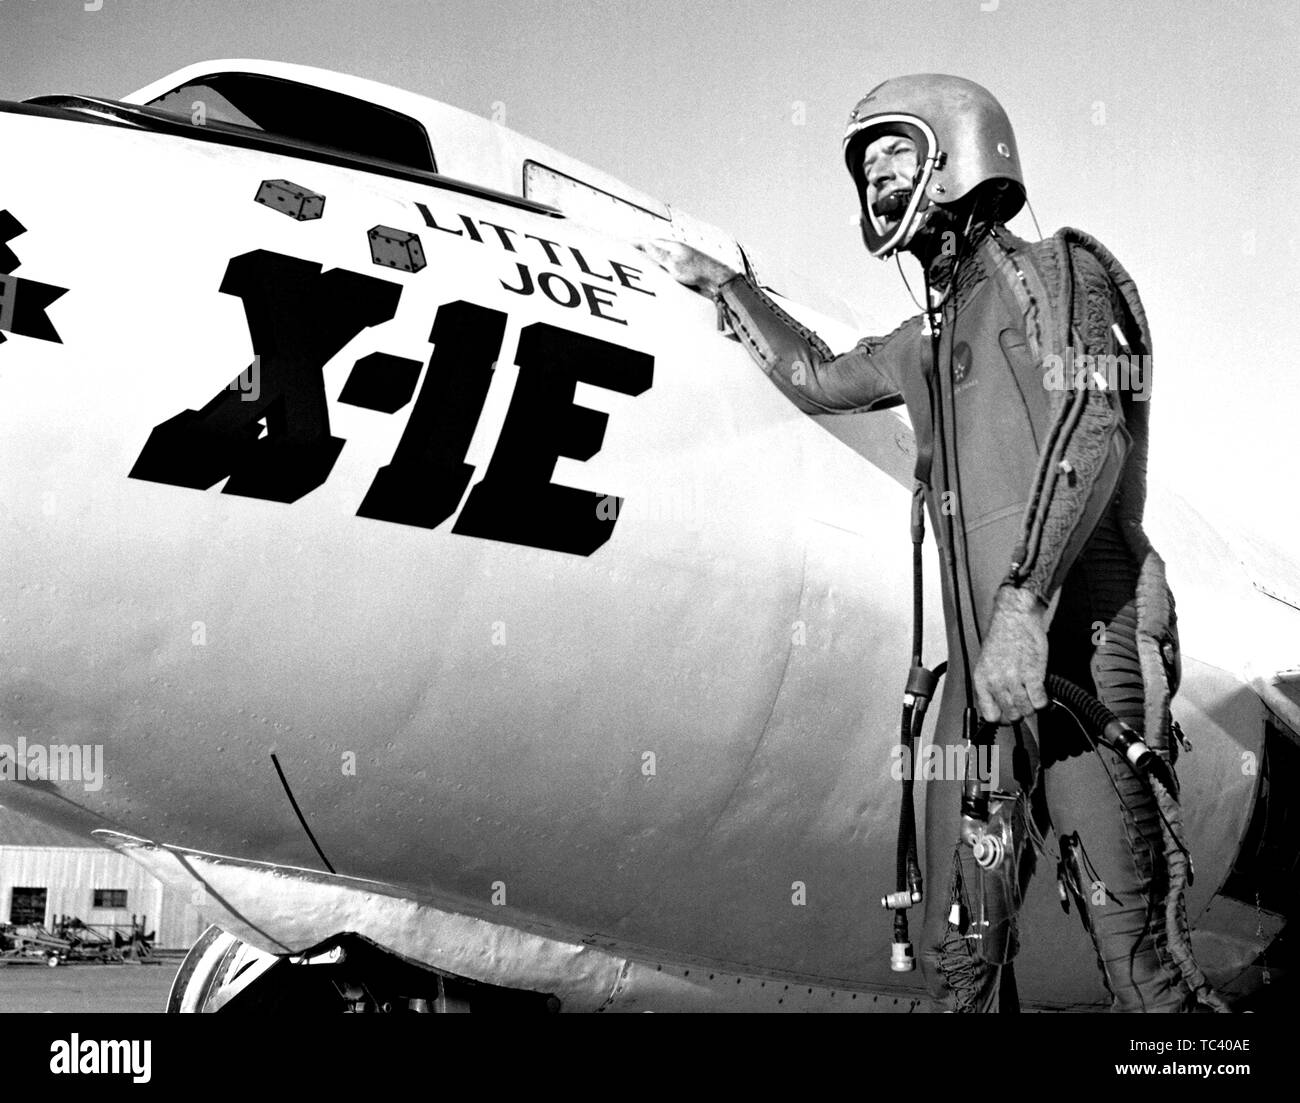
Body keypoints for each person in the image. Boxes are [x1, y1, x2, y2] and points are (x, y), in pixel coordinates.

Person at [638, 74, 1226, 1013]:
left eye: (894, 157)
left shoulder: (1061, 271)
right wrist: (729, 285)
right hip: (983, 696)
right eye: (864, 169)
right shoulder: (922, 339)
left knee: (1140, 963)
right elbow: (817, 376)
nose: (875, 182)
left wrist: (1026, 609)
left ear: (959, 155)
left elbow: (1093, 422)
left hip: (1087, 658)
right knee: (963, 958)